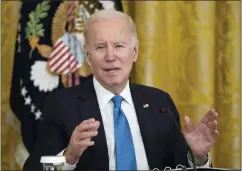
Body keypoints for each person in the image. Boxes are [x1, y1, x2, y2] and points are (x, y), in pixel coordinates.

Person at [23, 9, 219, 171]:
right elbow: (34, 168)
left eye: (119, 45)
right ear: (88, 57)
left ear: (134, 52)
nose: (111, 56)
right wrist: (69, 156)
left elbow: (178, 166)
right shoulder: (62, 105)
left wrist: (198, 158)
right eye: (100, 47)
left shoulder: (160, 103)